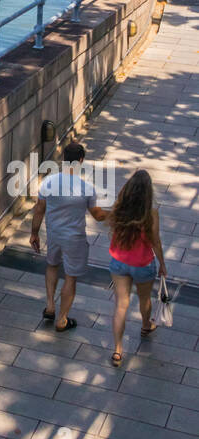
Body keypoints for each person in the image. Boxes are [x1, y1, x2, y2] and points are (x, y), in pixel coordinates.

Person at [30, 140, 109, 332]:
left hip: (54, 234)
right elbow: (98, 216)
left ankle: (50, 305)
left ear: (64, 159)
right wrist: (117, 212)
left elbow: (40, 209)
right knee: (71, 277)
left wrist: (34, 233)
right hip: (74, 238)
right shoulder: (86, 188)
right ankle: (62, 319)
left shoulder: (48, 182)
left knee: (52, 265)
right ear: (81, 160)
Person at [107, 169, 166, 366]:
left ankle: (117, 351)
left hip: (119, 262)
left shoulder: (120, 208)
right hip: (142, 264)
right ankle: (145, 325)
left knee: (121, 306)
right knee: (144, 300)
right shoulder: (151, 214)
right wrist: (162, 265)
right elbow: (155, 242)